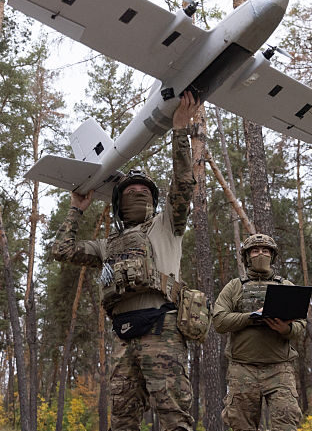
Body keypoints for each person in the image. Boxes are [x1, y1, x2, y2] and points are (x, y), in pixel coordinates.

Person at [52, 91, 201, 431]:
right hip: (123, 336)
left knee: (174, 418)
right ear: (118, 204)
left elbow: (183, 183)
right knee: (122, 420)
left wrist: (180, 130)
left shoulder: (167, 225)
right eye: (130, 191)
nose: (137, 193)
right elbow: (63, 250)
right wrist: (76, 209)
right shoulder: (108, 245)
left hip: (163, 329)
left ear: (154, 200)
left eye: (144, 191)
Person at [212, 233, 306, 431]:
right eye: (255, 251)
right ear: (247, 256)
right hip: (242, 368)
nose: (260, 254)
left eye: (265, 250)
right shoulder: (234, 286)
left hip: (279, 369)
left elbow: (301, 327)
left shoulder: (286, 287)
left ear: (272, 255)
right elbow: (219, 321)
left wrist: (286, 329)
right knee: (240, 425)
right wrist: (251, 317)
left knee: (287, 424)